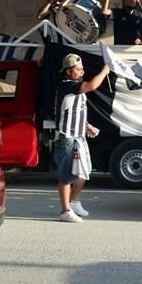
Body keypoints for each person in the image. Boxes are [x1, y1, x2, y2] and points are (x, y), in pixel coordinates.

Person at [54, 54, 110, 223]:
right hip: (67, 138)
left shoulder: (75, 87)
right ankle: (65, 211)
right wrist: (105, 70)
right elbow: (93, 85)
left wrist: (87, 126)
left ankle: (75, 201)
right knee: (66, 176)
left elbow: (75, 111)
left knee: (84, 172)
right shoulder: (67, 85)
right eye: (79, 70)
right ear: (69, 72)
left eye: (82, 69)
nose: (82, 72)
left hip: (79, 136)